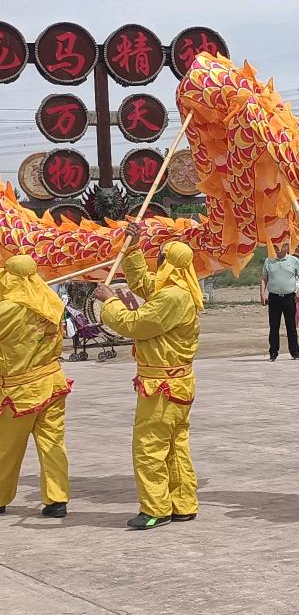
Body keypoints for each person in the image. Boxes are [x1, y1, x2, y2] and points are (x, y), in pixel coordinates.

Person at [96, 224, 204, 530]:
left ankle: (155, 507)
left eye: (160, 256)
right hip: (176, 383)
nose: (156, 259)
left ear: (168, 262)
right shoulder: (175, 290)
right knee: (175, 446)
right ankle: (183, 503)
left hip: (162, 386)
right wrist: (133, 247)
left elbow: (134, 324)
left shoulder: (172, 297)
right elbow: (145, 284)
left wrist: (110, 302)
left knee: (149, 446)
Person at [0, 256, 71, 518]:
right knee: (52, 444)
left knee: (7, 447)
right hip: (52, 382)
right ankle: (57, 499)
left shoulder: (9, 309)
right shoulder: (50, 300)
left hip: (21, 389)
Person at [260, 242, 299, 361]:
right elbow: (264, 278)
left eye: (281, 246)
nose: (279, 249)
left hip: (289, 297)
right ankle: (273, 352)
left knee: (291, 326)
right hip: (274, 297)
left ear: (286, 247)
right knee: (274, 326)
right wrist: (262, 294)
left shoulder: (293, 260)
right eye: (276, 246)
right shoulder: (269, 261)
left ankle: (295, 352)